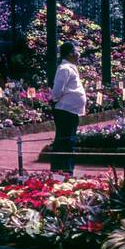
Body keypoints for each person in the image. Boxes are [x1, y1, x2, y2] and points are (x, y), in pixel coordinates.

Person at [49, 41, 86, 174]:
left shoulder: (70, 67)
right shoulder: (64, 69)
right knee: (64, 141)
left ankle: (65, 170)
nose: (78, 54)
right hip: (65, 111)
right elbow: (57, 91)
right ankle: (61, 171)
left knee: (68, 141)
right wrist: (55, 100)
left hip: (71, 111)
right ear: (70, 54)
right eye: (76, 51)